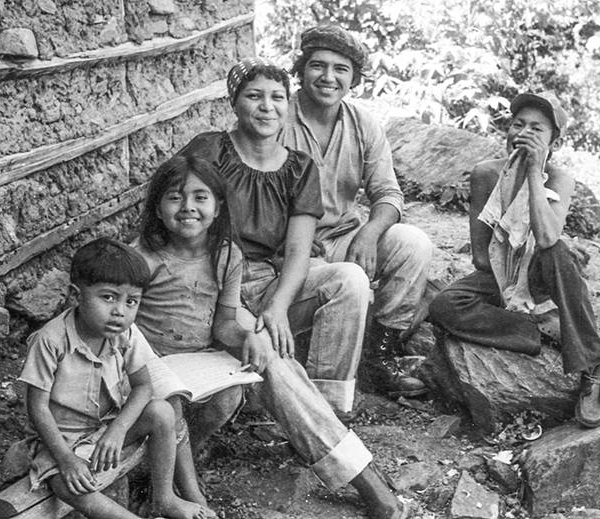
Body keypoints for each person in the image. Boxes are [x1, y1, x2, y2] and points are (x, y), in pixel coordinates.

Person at [131, 152, 410, 519]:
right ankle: (165, 483)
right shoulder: (140, 258)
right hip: (150, 367)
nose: (188, 208)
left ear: (217, 208)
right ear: (156, 207)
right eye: (174, 197)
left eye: (200, 198)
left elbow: (224, 324)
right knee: (194, 398)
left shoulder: (225, 254)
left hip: (205, 354)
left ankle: (356, 469)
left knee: (265, 361)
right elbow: (124, 330)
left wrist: (247, 338)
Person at [176, 58, 370, 414]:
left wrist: (278, 306)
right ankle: (305, 421)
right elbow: (179, 217)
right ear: (234, 103)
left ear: (287, 104)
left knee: (349, 279)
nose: (267, 107)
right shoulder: (209, 151)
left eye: (277, 97)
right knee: (263, 349)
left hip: (267, 280)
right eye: (254, 96)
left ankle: (331, 405)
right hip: (216, 285)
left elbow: (298, 250)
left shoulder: (299, 167)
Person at [428, 92, 600, 428]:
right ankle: (534, 329)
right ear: (507, 130)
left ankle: (593, 359)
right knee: (444, 305)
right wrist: (511, 258)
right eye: (518, 125)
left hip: (542, 275)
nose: (523, 134)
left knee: (557, 251)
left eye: (537, 129)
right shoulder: (486, 174)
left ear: (553, 141)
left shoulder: (559, 179)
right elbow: (483, 259)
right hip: (502, 274)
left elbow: (546, 238)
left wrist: (532, 173)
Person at [280, 25, 433, 397]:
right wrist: (287, 240)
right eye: (318, 66)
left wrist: (369, 232)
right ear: (301, 70)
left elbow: (388, 194)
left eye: (341, 69)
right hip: (289, 246)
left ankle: (378, 355)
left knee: (413, 244)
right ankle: (319, 388)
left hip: (345, 235)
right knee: (350, 281)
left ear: (353, 78)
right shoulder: (279, 118)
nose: (328, 77)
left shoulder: (362, 122)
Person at [18, 238, 215, 519]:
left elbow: (144, 386)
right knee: (66, 484)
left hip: (106, 428)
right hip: (63, 441)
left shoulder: (126, 333)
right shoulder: (50, 341)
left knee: (162, 411)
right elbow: (37, 407)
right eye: (108, 297)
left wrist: (118, 429)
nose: (120, 311)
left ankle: (165, 499)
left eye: (131, 301)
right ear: (76, 296)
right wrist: (66, 459)